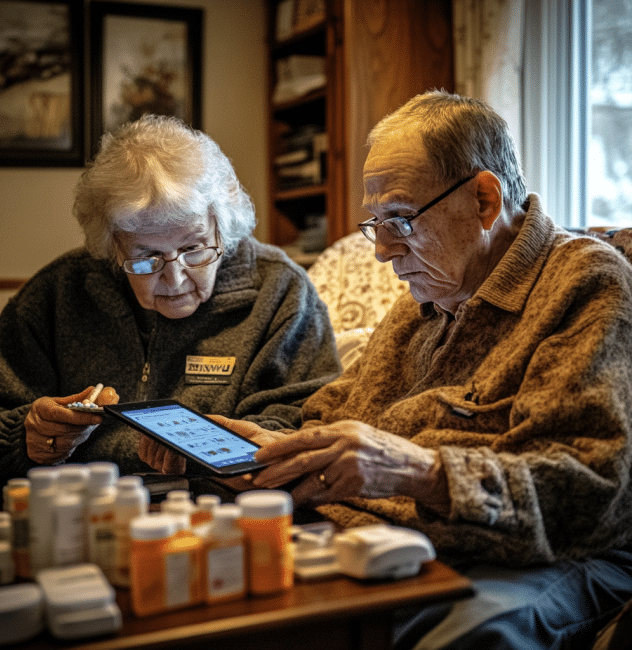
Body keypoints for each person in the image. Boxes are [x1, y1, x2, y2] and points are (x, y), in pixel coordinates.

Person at [217, 91, 632, 649]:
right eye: (375, 224)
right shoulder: (429, 295)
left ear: (485, 200)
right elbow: (337, 413)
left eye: (401, 220)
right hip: (387, 535)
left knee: (463, 634)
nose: (383, 251)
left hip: (549, 555)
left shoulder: (585, 284)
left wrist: (413, 470)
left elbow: (585, 493)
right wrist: (274, 448)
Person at [0, 114, 341, 489]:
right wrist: (25, 438)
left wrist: (224, 451)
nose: (175, 277)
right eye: (146, 257)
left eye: (194, 248)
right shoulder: (56, 293)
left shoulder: (280, 291)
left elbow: (311, 423)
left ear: (224, 226)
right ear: (111, 246)